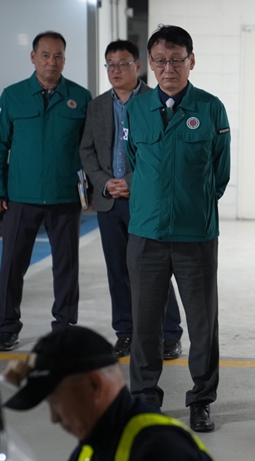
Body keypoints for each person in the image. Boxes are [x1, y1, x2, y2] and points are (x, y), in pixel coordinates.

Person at [124, 25, 230, 433]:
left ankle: (201, 400)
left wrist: (194, 205)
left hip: (195, 237)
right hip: (146, 234)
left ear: (191, 61)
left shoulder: (210, 108)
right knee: (144, 324)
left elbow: (220, 171)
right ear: (150, 64)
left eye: (176, 60)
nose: (168, 68)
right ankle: (144, 398)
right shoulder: (137, 108)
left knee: (203, 325)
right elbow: (133, 159)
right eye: (160, 61)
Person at [0, 31, 92, 351]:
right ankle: (8, 327)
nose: (51, 62)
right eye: (45, 55)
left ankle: (64, 327)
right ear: (33, 57)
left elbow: (89, 148)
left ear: (64, 59)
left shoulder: (81, 97)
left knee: (66, 266)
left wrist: (89, 190)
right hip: (21, 197)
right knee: (12, 265)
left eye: (58, 56)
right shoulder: (13, 95)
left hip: (64, 197)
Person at [79, 39, 183, 359]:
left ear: (138, 66)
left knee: (155, 269)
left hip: (146, 202)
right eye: (110, 64)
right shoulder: (97, 106)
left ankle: (169, 333)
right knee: (117, 272)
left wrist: (129, 182)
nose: (116, 70)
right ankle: (125, 332)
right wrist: (104, 183)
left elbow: (163, 153)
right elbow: (86, 151)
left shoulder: (156, 101)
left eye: (123, 64)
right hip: (109, 202)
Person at [2, 325, 213, 461]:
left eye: (55, 401)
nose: (54, 418)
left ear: (94, 385)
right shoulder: (92, 448)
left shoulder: (160, 449)